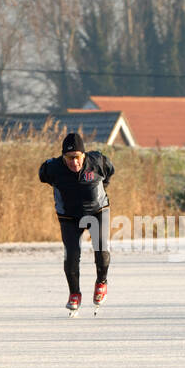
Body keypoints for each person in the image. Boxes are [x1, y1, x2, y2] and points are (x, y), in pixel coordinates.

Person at [39, 132, 115, 312]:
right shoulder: (53, 168)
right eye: (69, 158)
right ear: (62, 157)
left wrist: (102, 189)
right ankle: (75, 293)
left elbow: (109, 173)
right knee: (71, 255)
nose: (74, 162)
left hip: (97, 212)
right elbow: (43, 176)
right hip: (69, 217)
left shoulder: (97, 162)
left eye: (77, 157)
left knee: (101, 249)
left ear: (84, 155)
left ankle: (101, 282)